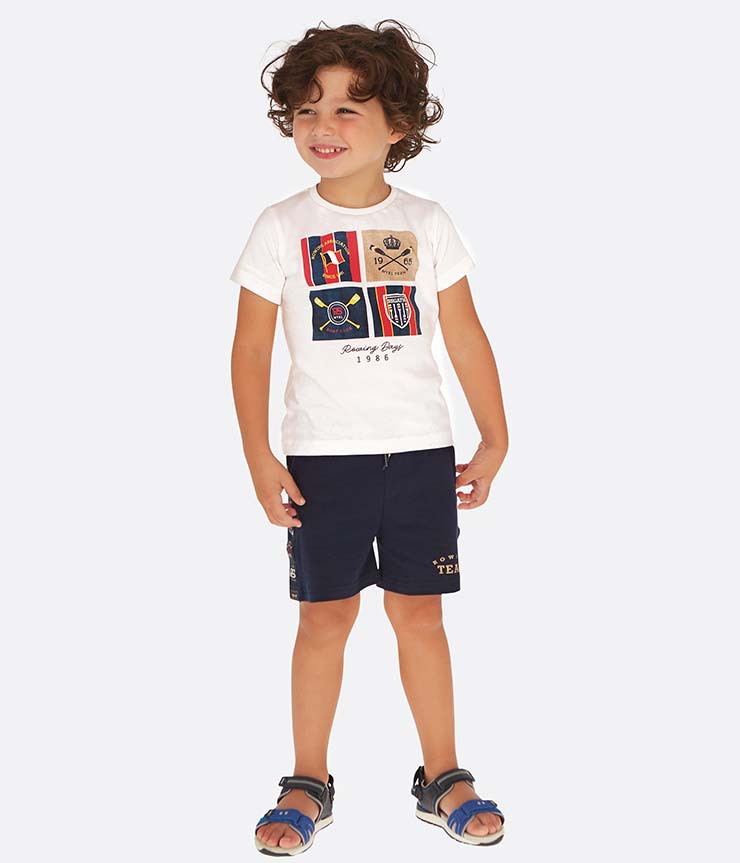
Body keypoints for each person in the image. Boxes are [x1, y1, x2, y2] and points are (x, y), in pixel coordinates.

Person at [229, 20, 508, 855]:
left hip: (420, 453)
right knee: (324, 619)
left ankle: (443, 775)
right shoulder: (281, 226)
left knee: (421, 616)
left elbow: (465, 334)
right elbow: (249, 350)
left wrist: (495, 435)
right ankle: (306, 780)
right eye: (308, 108)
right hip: (324, 461)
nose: (325, 124)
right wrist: (258, 455)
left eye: (349, 108)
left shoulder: (427, 221)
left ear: (399, 125)